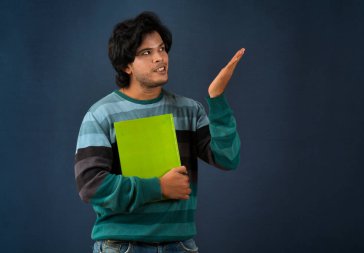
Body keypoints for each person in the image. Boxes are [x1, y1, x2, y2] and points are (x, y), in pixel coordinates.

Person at [74, 11, 245, 253]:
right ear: (126, 66)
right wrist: (159, 188)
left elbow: (228, 158)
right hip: (122, 246)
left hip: (180, 246)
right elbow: (90, 185)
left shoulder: (189, 110)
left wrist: (216, 99)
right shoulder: (101, 115)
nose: (160, 58)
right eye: (146, 52)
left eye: (162, 49)